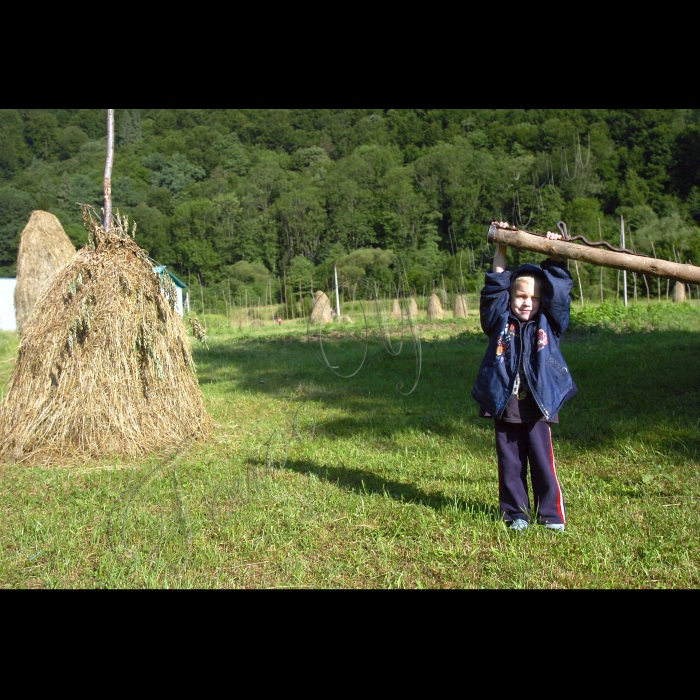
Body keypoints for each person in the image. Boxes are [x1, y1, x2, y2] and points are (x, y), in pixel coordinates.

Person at [471, 221, 577, 533]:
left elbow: (559, 294)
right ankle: (516, 514)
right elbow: (496, 285)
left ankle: (551, 515)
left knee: (542, 461)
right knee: (511, 462)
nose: (526, 302)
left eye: (533, 297)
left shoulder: (550, 321)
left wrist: (555, 255)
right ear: (511, 296)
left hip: (539, 401)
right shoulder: (498, 320)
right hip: (505, 400)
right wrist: (502, 245)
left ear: (542, 300)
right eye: (520, 295)